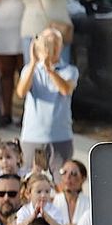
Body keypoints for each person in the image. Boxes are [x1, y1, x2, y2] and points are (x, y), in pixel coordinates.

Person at [17, 27, 78, 168]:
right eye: (47, 43)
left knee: (61, 183)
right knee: (32, 183)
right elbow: (21, 92)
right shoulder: (29, 70)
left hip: (60, 136)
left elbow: (65, 90)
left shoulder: (69, 70)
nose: (51, 48)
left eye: (55, 43)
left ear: (60, 46)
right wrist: (33, 63)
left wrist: (49, 69)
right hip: (33, 136)